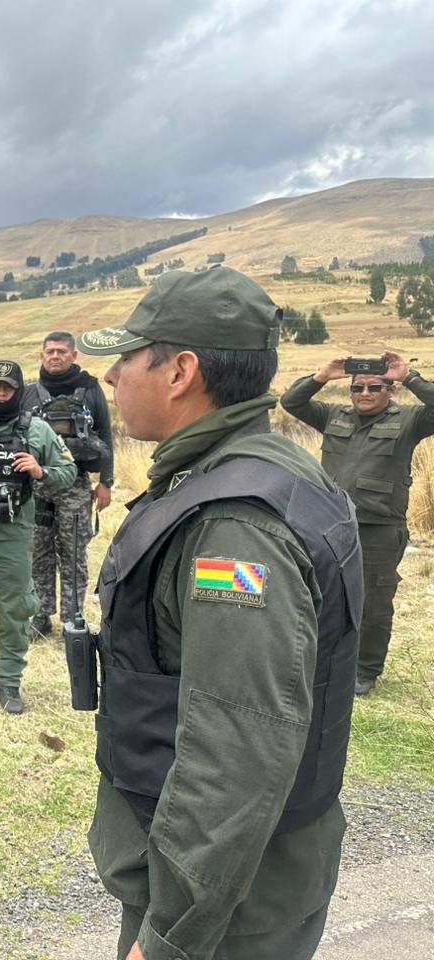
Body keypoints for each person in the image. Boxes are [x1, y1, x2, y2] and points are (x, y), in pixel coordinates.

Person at [76, 267, 361, 960]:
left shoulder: (234, 526)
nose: (112, 377)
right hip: (241, 885)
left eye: (127, 357)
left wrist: (172, 933)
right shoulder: (269, 471)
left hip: (227, 910)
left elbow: (239, 747)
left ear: (180, 371)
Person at [280, 351, 434, 696]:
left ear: (390, 390)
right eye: (358, 388)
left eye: (374, 387)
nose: (364, 393)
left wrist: (408, 376)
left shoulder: (409, 419)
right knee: (321, 594)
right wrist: (322, 375)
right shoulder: (333, 415)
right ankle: (324, 660)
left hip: (378, 528)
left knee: (374, 603)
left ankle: (365, 671)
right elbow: (291, 402)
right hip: (330, 524)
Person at [0, 360, 76, 713]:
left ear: (18, 391)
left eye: (8, 388)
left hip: (14, 533)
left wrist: (39, 470)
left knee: (14, 611)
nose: (1, 394)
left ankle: (9, 681)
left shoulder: (39, 431)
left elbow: (70, 471)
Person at [20, 331, 115, 637]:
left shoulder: (90, 389)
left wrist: (106, 483)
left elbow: (106, 434)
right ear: (42, 355)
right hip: (37, 484)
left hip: (75, 485)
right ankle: (40, 615)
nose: (55, 356)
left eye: (62, 351)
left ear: (74, 355)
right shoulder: (30, 393)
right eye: (50, 351)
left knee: (73, 552)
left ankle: (73, 617)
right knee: (39, 552)